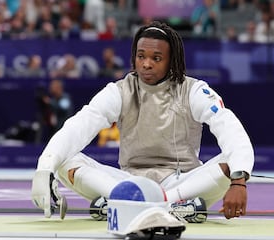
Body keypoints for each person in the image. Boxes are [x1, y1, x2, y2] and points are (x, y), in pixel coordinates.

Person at [32, 21, 254, 222]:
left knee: (230, 164)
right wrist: (44, 169)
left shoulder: (193, 90)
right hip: (128, 182)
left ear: (171, 60)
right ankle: (170, 208)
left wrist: (238, 181)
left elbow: (227, 125)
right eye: (141, 56)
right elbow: (80, 125)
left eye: (156, 58)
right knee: (62, 159)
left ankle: (126, 205)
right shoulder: (119, 91)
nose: (146, 64)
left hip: (182, 183)